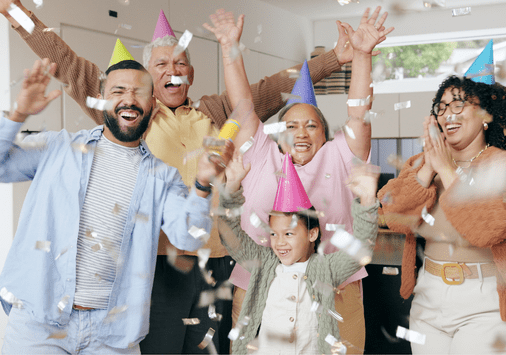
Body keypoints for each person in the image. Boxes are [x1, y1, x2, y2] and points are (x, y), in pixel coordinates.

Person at [0, 2, 359, 352]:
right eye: (161, 64)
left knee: (208, 347)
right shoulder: (128, 116)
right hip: (161, 264)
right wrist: (16, 12)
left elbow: (272, 87)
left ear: (190, 74)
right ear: (146, 80)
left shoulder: (214, 112)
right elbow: (65, 60)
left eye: (181, 63)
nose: (173, 69)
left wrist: (334, 59)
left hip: (217, 259)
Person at [0, 56, 231, 353]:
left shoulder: (163, 177)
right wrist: (18, 113)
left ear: (154, 106)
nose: (129, 100)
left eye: (139, 93)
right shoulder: (58, 147)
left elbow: (189, 235)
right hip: (39, 325)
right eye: (118, 91)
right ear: (100, 101)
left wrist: (202, 184)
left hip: (112, 336)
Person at [203, 7, 393, 352]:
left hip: (336, 287)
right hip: (259, 287)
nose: (301, 134)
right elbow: (243, 105)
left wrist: (362, 56)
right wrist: (229, 47)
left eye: (311, 126)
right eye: (291, 126)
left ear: (325, 133)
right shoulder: (262, 154)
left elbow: (358, 113)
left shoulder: (339, 153)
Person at [378, 42, 506, 354]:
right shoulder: (422, 165)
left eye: (459, 105)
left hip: (490, 298)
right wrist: (427, 169)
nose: (448, 114)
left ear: (485, 116)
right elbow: (392, 216)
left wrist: (446, 170)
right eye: (442, 107)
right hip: (429, 295)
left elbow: (487, 229)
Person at [217, 148, 379, 354]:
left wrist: (367, 201)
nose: (279, 243)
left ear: (312, 234)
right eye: (274, 234)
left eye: (289, 234)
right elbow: (230, 237)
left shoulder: (326, 268)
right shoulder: (264, 262)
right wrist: (231, 188)